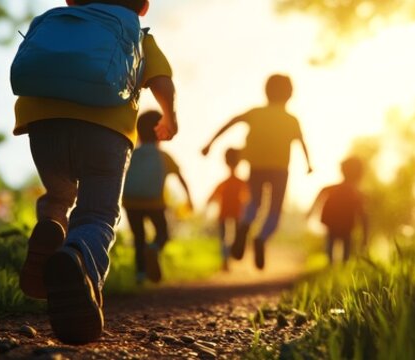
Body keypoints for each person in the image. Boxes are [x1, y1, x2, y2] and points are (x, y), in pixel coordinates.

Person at [13, 0, 178, 344]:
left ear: (71, 0)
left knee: (59, 194)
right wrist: (169, 115)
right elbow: (162, 81)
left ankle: (51, 226)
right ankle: (77, 258)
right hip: (106, 130)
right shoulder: (138, 34)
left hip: (43, 126)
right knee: (98, 214)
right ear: (142, 7)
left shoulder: (57, 21)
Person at [201, 74, 311, 270]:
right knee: (275, 210)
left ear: (266, 92)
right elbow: (302, 142)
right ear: (290, 94)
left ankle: (244, 225)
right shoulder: (291, 120)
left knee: (254, 203)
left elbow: (231, 122)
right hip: (280, 169)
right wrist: (308, 164)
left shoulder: (255, 113)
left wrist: (211, 143)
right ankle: (261, 238)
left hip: (257, 167)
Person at [122, 111, 193, 284]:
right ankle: (153, 248)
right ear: (161, 132)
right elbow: (180, 177)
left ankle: (140, 275)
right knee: (163, 233)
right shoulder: (163, 157)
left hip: (131, 202)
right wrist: (189, 198)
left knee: (139, 237)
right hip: (155, 203)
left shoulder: (131, 154)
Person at [308, 157, 368, 264]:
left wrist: (311, 211)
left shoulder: (335, 189)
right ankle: (342, 264)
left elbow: (321, 193)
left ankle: (331, 264)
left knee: (332, 243)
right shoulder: (355, 194)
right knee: (345, 246)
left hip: (333, 223)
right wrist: (365, 236)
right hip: (345, 225)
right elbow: (363, 215)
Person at [205, 148, 249, 272]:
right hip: (236, 214)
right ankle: (230, 258)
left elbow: (212, 197)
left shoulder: (224, 183)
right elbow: (247, 199)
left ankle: (226, 260)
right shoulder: (241, 183)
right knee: (234, 238)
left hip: (225, 214)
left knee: (224, 238)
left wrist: (207, 206)